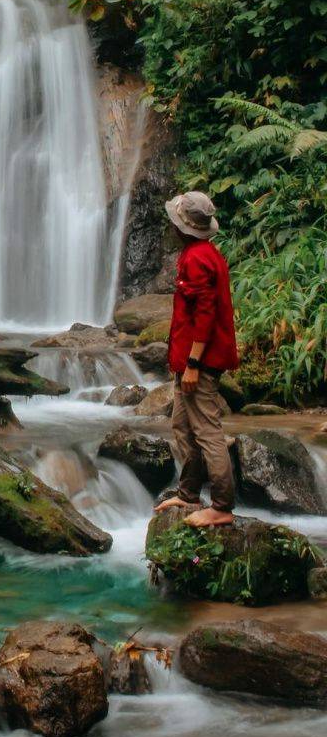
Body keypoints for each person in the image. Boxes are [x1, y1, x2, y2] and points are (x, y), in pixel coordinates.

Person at [154, 191, 239, 527]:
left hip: (199, 362)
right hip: (188, 359)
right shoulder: (202, 253)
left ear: (182, 228)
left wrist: (193, 365)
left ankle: (221, 505)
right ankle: (189, 492)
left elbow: (205, 315)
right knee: (182, 424)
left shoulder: (197, 259)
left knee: (206, 430)